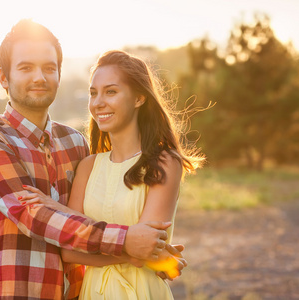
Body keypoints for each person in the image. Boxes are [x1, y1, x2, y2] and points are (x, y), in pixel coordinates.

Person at [0, 20, 182, 300]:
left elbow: (93, 215)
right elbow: (32, 216)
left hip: (80, 293)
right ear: (3, 78)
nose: (39, 77)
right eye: (25, 67)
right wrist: (130, 244)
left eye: (49, 67)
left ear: (59, 73)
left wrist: (153, 254)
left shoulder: (75, 143)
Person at [20, 50, 204, 299]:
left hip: (141, 292)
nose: (98, 103)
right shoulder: (87, 166)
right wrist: (132, 252)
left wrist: (58, 210)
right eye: (93, 93)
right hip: (93, 292)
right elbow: (69, 252)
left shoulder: (165, 163)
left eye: (111, 91)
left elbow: (148, 246)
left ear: (139, 98)